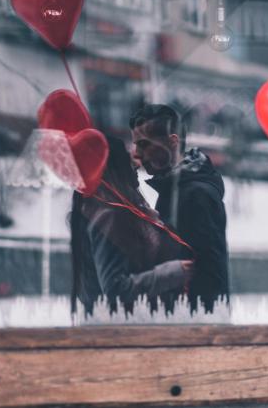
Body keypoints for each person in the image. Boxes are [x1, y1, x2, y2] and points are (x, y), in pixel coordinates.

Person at [70, 135, 193, 316]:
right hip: (119, 331)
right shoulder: (109, 216)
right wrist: (174, 272)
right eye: (127, 159)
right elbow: (115, 289)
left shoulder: (106, 208)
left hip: (121, 327)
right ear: (115, 166)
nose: (136, 165)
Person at [129, 104, 229, 313]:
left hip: (193, 325)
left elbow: (209, 271)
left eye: (144, 144)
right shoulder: (174, 189)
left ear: (172, 142)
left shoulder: (196, 194)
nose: (137, 154)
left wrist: (203, 327)